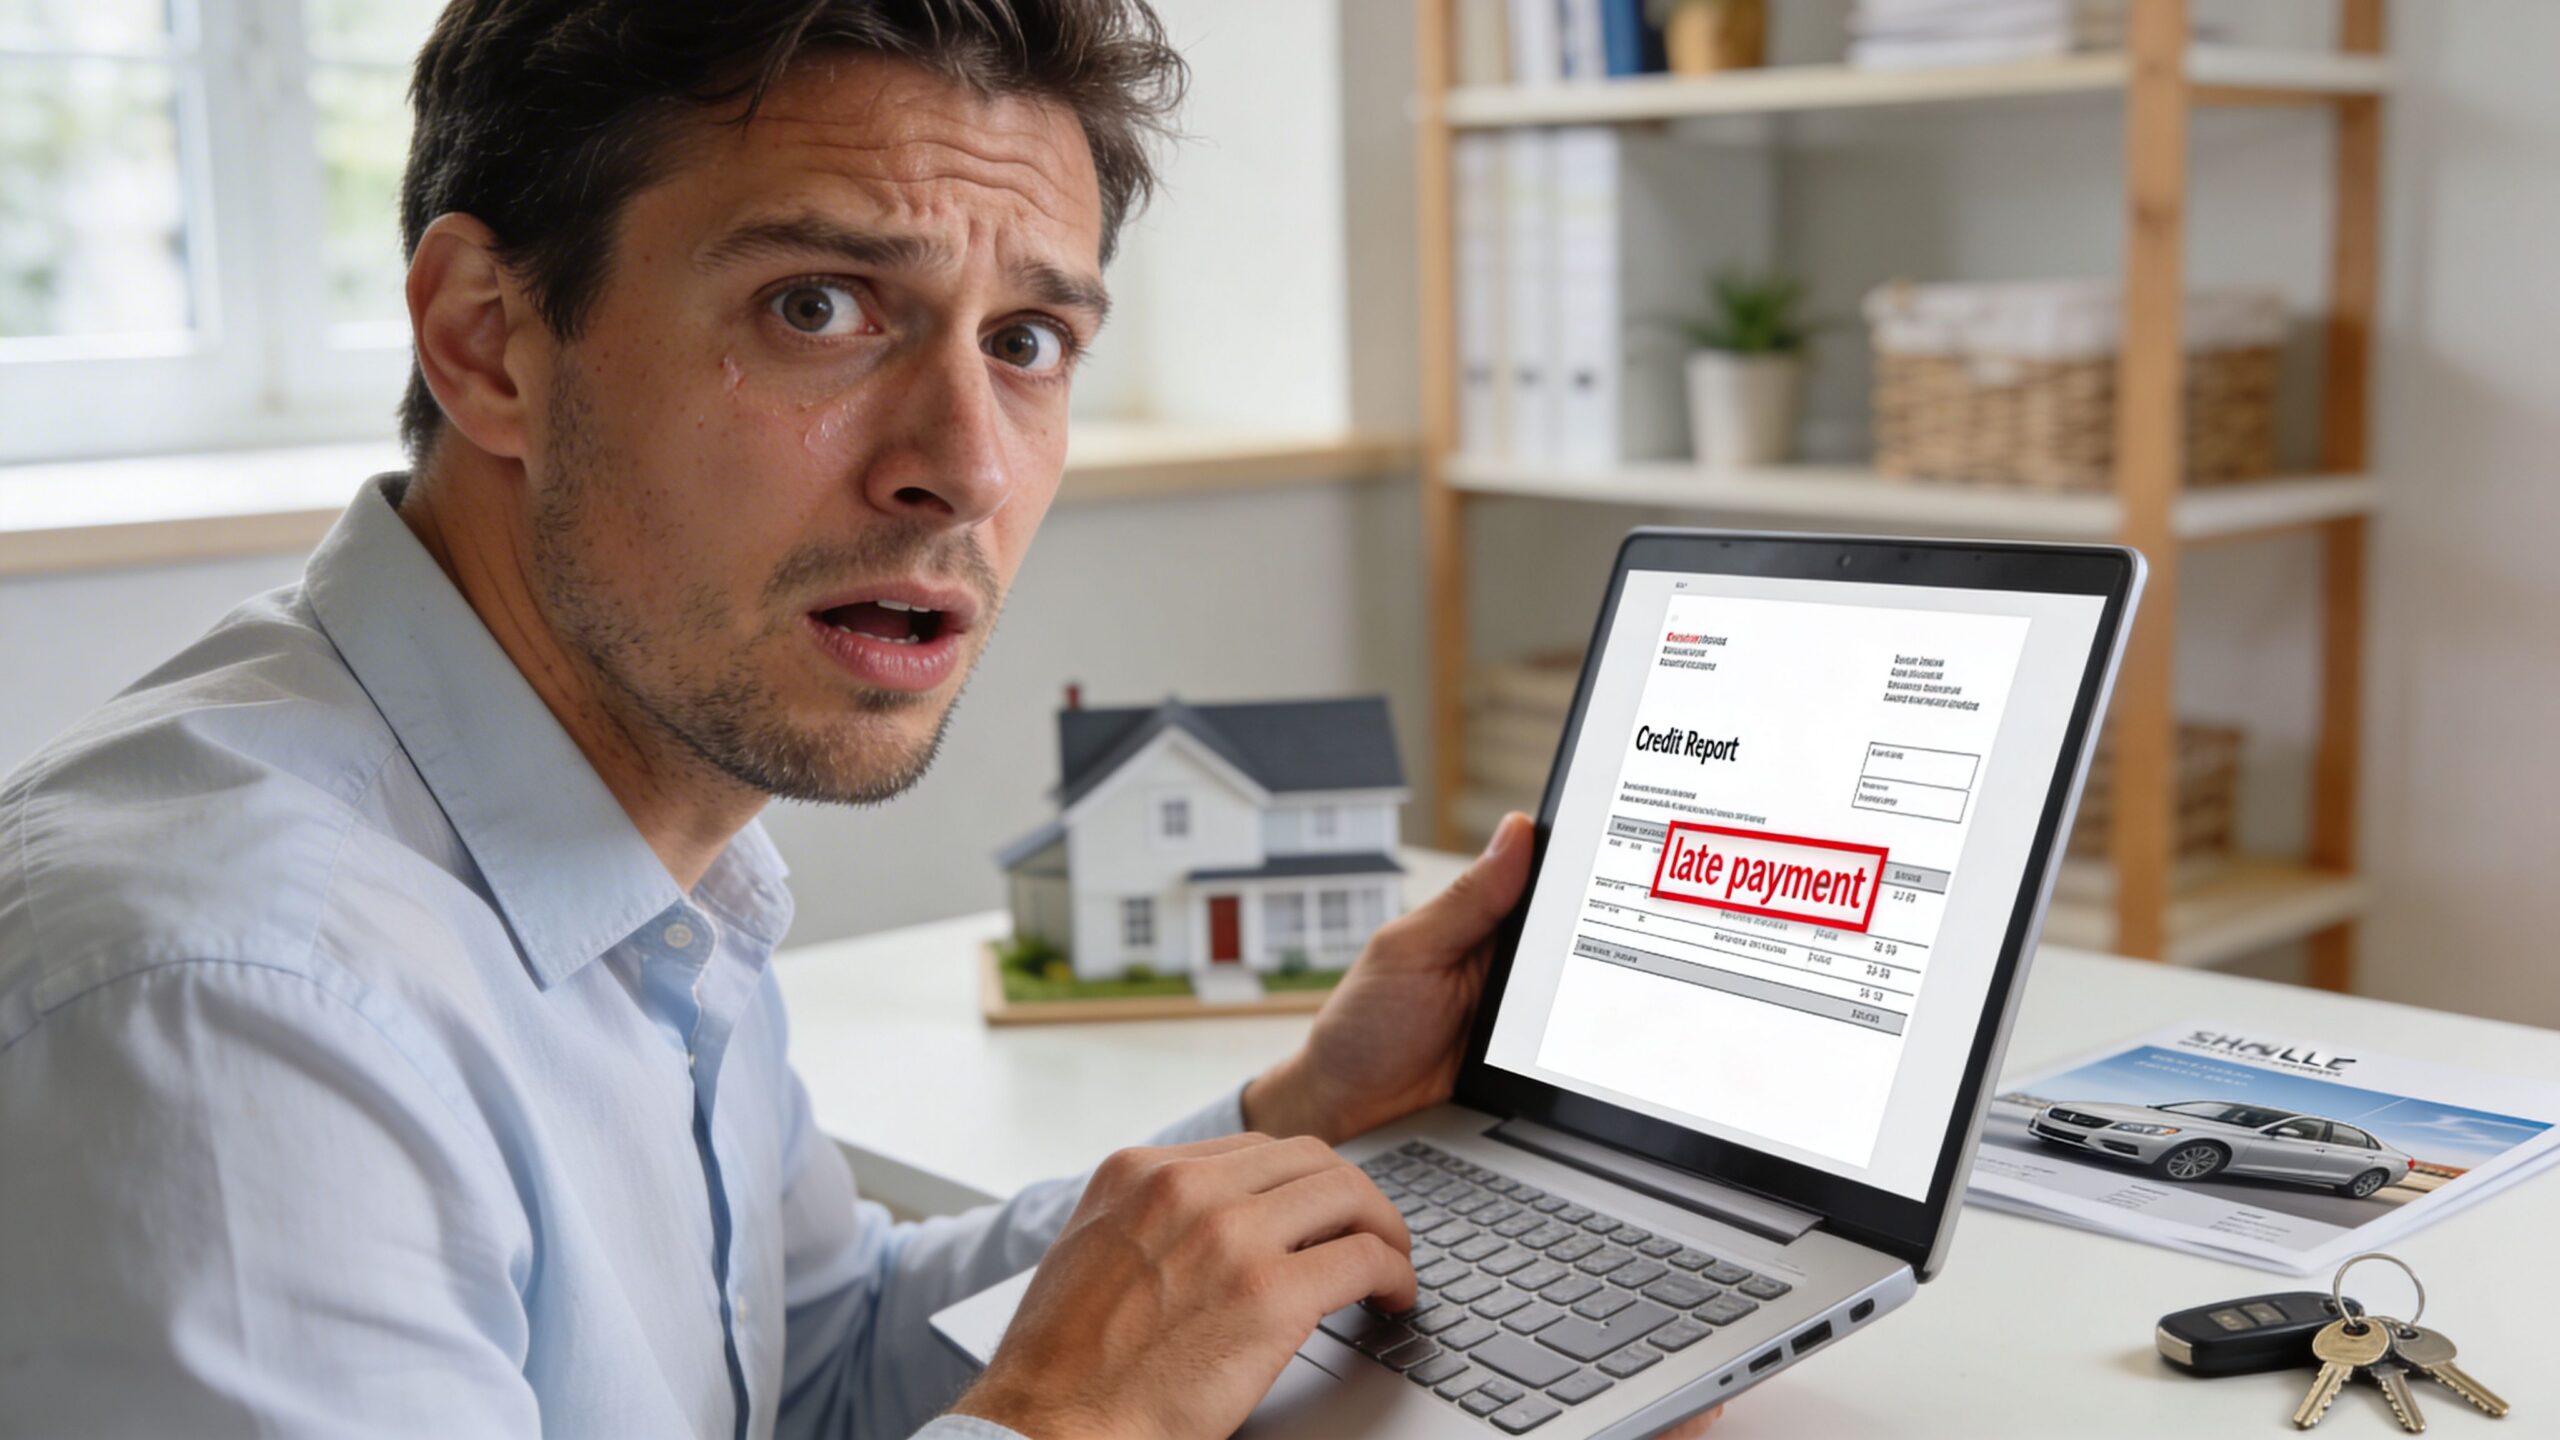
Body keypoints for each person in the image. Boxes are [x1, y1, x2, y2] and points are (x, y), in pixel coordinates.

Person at [0, 3, 1718, 1437]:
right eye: (818, 307)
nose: (963, 465)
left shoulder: (643, 845)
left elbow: (802, 1368)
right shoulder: (236, 1016)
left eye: (1031, 339)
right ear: (489, 340)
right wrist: (1070, 1426)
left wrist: (1299, 1128)